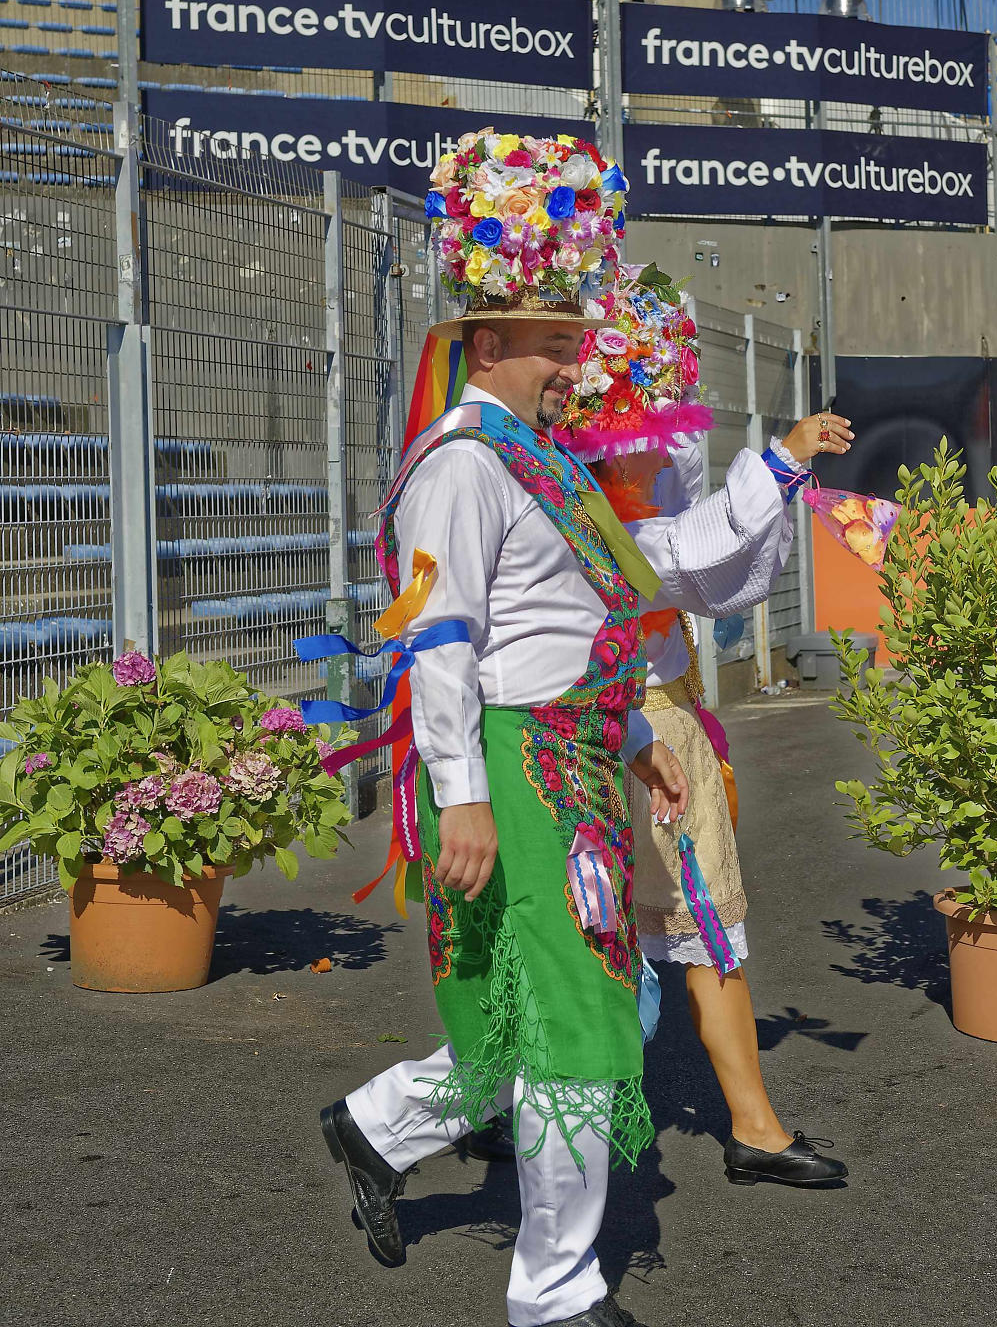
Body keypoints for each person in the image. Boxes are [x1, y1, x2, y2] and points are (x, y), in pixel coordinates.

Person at [319, 130, 686, 1327]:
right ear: (488, 346)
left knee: (529, 1007)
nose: (576, 362)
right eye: (554, 344)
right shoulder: (463, 465)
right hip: (515, 768)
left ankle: (378, 1126)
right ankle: (555, 1292)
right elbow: (439, 636)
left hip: (564, 758)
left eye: (574, 341)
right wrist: (461, 792)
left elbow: (561, 622)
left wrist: (629, 740)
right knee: (572, 1012)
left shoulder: (537, 458)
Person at [557, 261, 853, 1190]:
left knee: (694, 933)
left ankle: (751, 1125)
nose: (664, 459)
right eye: (646, 441)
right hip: (623, 737)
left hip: (653, 728)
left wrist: (781, 467)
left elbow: (706, 555)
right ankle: (516, 1108)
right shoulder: (593, 524)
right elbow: (692, 554)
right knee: (638, 933)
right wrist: (782, 459)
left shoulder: (613, 510)